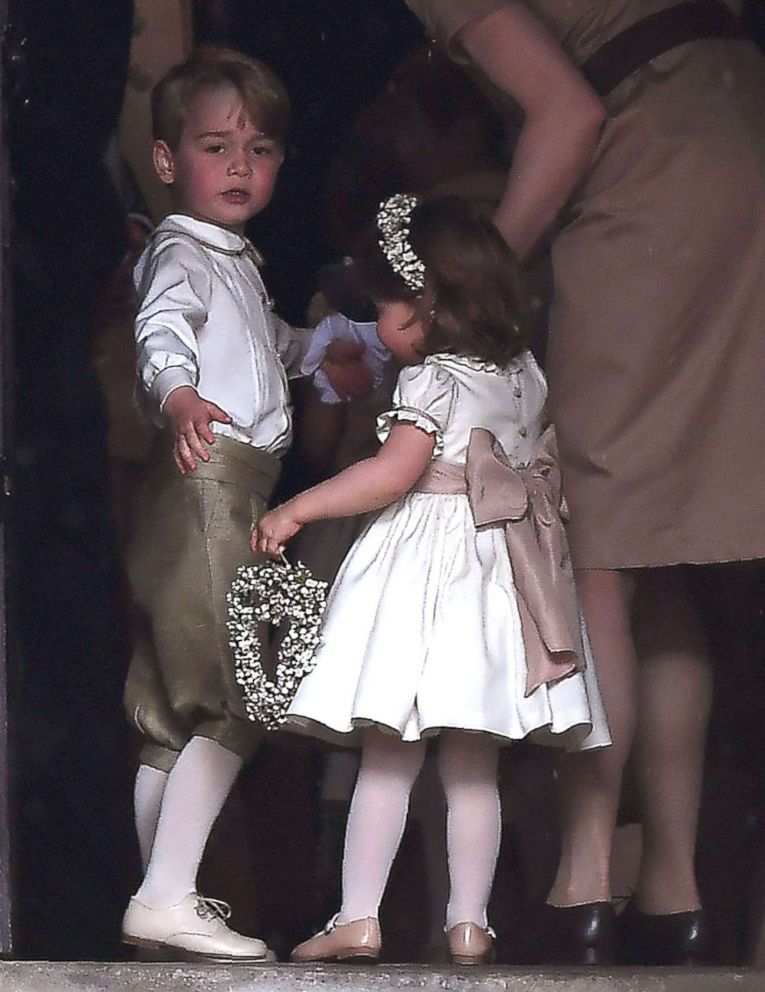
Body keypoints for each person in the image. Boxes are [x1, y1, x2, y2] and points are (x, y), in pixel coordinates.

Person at [402, 0, 765, 966]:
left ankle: (584, 877)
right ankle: (673, 889)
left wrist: (465, 290)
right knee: (667, 548)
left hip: (650, 175)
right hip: (737, 132)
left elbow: (566, 115)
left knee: (597, 545)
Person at [254, 193, 610, 965]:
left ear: (425, 309)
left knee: (387, 750)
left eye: (384, 308)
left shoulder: (435, 383)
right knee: (472, 765)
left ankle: (357, 915)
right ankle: (469, 922)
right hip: (500, 580)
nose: (380, 327)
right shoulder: (523, 374)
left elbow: (392, 475)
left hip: (431, 574)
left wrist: (299, 509)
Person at [121, 47, 369, 962]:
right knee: (240, 694)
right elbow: (165, 333)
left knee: (167, 715)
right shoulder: (180, 251)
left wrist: (318, 352)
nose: (237, 166)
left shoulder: (231, 257)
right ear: (164, 161)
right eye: (214, 145)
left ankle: (161, 894)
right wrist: (179, 395)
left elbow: (262, 345)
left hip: (211, 484)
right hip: (211, 480)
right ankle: (168, 893)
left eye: (258, 149)